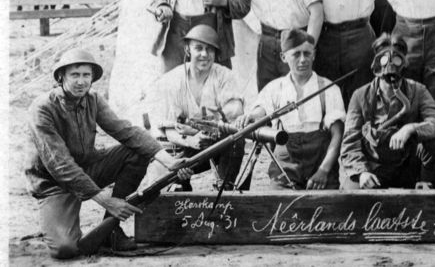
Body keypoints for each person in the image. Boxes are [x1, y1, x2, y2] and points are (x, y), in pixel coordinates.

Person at [25, 49, 192, 259]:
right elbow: (60, 165)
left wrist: (170, 162)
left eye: (86, 75)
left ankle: (110, 230)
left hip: (86, 169)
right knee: (65, 249)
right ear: (61, 77)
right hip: (54, 184)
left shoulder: (93, 99)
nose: (81, 82)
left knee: (136, 151)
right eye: (74, 75)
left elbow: (126, 131)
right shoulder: (42, 108)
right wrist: (107, 201)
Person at [340, 33, 435, 189]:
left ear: (404, 64)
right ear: (376, 65)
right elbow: (350, 143)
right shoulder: (360, 95)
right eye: (384, 60)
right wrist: (362, 172)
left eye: (397, 60)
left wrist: (411, 128)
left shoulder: (417, 91)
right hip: (373, 167)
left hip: (405, 164)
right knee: (352, 195)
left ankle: (426, 187)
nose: (391, 69)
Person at [244, 29, 346, 190]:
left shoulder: (329, 88)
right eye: (296, 54)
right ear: (283, 57)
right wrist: (250, 117)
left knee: (326, 205)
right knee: (280, 205)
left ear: (314, 55)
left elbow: (337, 134)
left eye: (307, 53)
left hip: (321, 166)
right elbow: (259, 112)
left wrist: (324, 171)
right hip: (285, 168)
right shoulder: (274, 88)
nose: (303, 59)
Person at [147, 24, 245, 191]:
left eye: (210, 49)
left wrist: (201, 127)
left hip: (212, 144)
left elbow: (235, 111)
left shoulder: (224, 76)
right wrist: (191, 140)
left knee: (236, 138)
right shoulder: (172, 80)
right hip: (178, 148)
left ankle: (225, 190)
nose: (204, 54)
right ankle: (181, 188)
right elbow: (168, 129)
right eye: (198, 48)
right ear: (188, 50)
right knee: (166, 188)